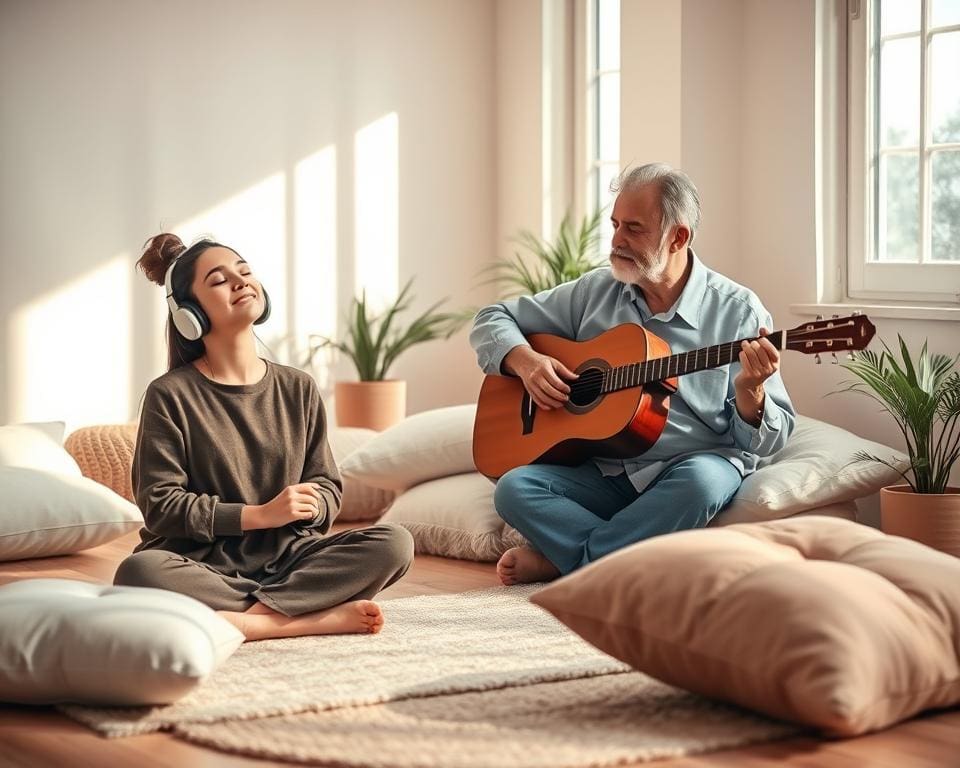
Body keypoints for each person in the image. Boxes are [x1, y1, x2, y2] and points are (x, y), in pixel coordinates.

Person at [470, 163, 796, 586]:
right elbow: (492, 317)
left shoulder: (738, 310)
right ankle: (602, 563)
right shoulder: (594, 291)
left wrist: (750, 392)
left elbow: (771, 438)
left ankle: (572, 562)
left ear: (678, 237)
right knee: (514, 487)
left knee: (703, 482)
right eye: (616, 224)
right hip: (605, 470)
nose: (617, 240)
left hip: (688, 467)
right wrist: (526, 361)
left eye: (635, 229)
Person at [114, 233, 414, 640]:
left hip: (289, 557)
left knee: (395, 543)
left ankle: (251, 622)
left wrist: (313, 504)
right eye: (218, 281)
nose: (240, 282)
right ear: (189, 313)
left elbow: (327, 486)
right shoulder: (169, 395)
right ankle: (302, 617)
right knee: (140, 571)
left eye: (245, 272)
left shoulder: (299, 388)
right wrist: (261, 515)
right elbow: (161, 506)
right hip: (201, 563)